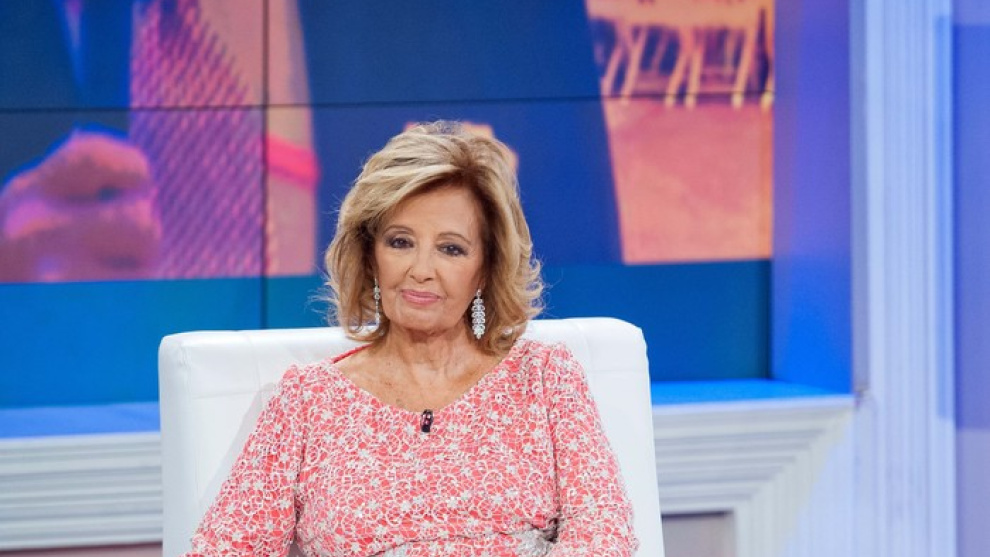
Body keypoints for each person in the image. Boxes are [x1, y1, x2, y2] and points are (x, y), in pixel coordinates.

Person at [183, 121, 638, 556]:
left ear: (486, 269)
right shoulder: (307, 401)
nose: (421, 270)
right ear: (370, 255)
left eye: (451, 248)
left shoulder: (544, 379)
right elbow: (226, 549)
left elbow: (603, 533)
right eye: (400, 242)